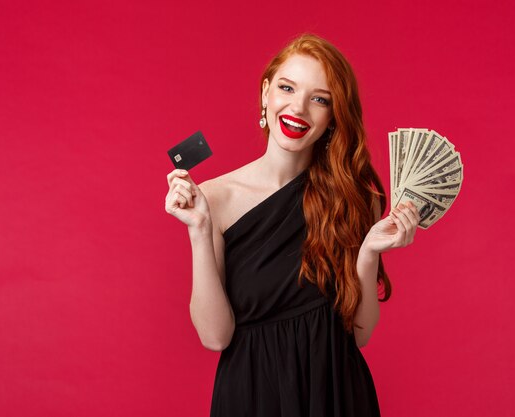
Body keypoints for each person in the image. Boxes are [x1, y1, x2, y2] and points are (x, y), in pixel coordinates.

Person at [165, 33, 419, 417]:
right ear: (266, 92)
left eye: (319, 99)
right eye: (287, 87)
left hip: (337, 395)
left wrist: (368, 253)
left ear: (333, 117)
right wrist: (199, 229)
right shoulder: (213, 198)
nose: (298, 108)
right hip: (252, 397)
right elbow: (215, 337)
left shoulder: (354, 200)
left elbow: (361, 335)